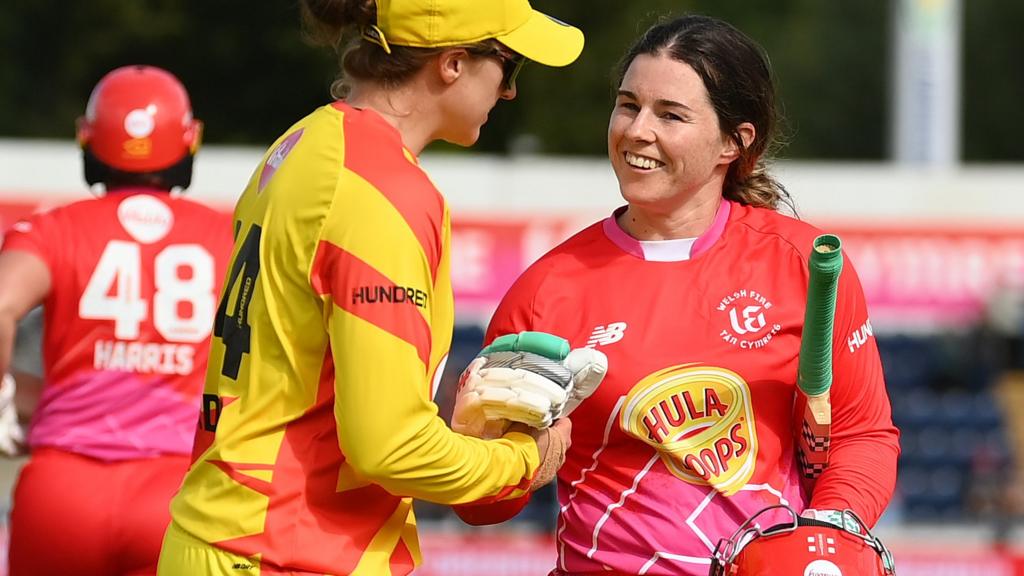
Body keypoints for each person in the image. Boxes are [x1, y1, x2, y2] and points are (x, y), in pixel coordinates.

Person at [453, 14, 900, 576]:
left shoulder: (804, 266)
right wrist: (479, 444)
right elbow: (485, 509)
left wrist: (822, 543)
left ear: (733, 143)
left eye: (670, 115)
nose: (637, 130)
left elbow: (863, 437)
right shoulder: (547, 288)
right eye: (627, 105)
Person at [158, 0, 585, 574]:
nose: (508, 92)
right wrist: (522, 459)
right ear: (452, 64)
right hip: (285, 552)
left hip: (231, 534)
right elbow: (392, 447)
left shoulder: (306, 140)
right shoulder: (382, 190)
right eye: (509, 66)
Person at [0, 65, 233, 576]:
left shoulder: (51, 228)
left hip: (61, 492)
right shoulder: (227, 237)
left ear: (86, 138)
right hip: (178, 493)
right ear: (190, 140)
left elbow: (2, 303)